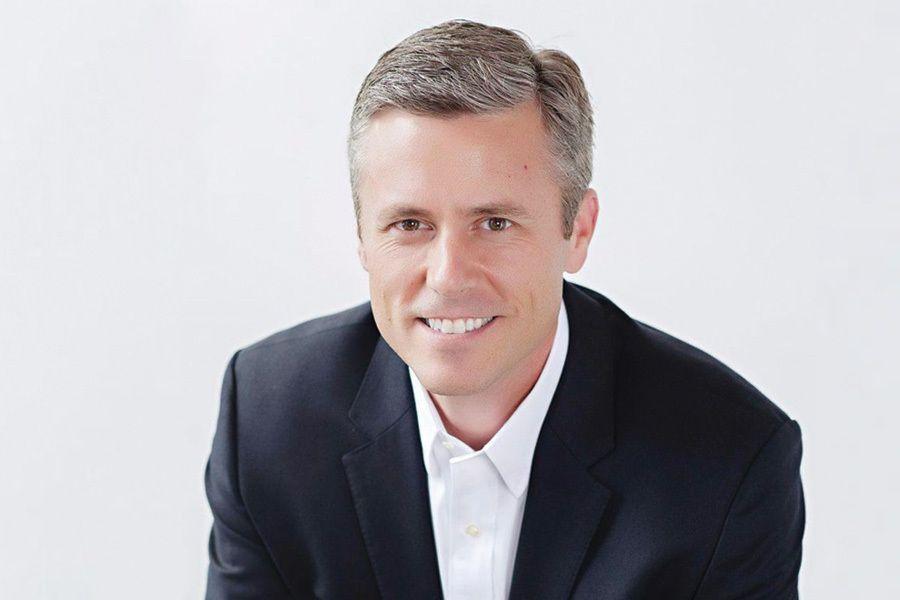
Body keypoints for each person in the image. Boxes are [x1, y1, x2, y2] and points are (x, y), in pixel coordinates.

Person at [203, 18, 805, 600]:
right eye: (409, 224)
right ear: (361, 236)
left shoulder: (731, 461)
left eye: (495, 223)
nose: (448, 276)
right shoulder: (267, 421)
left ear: (578, 231)